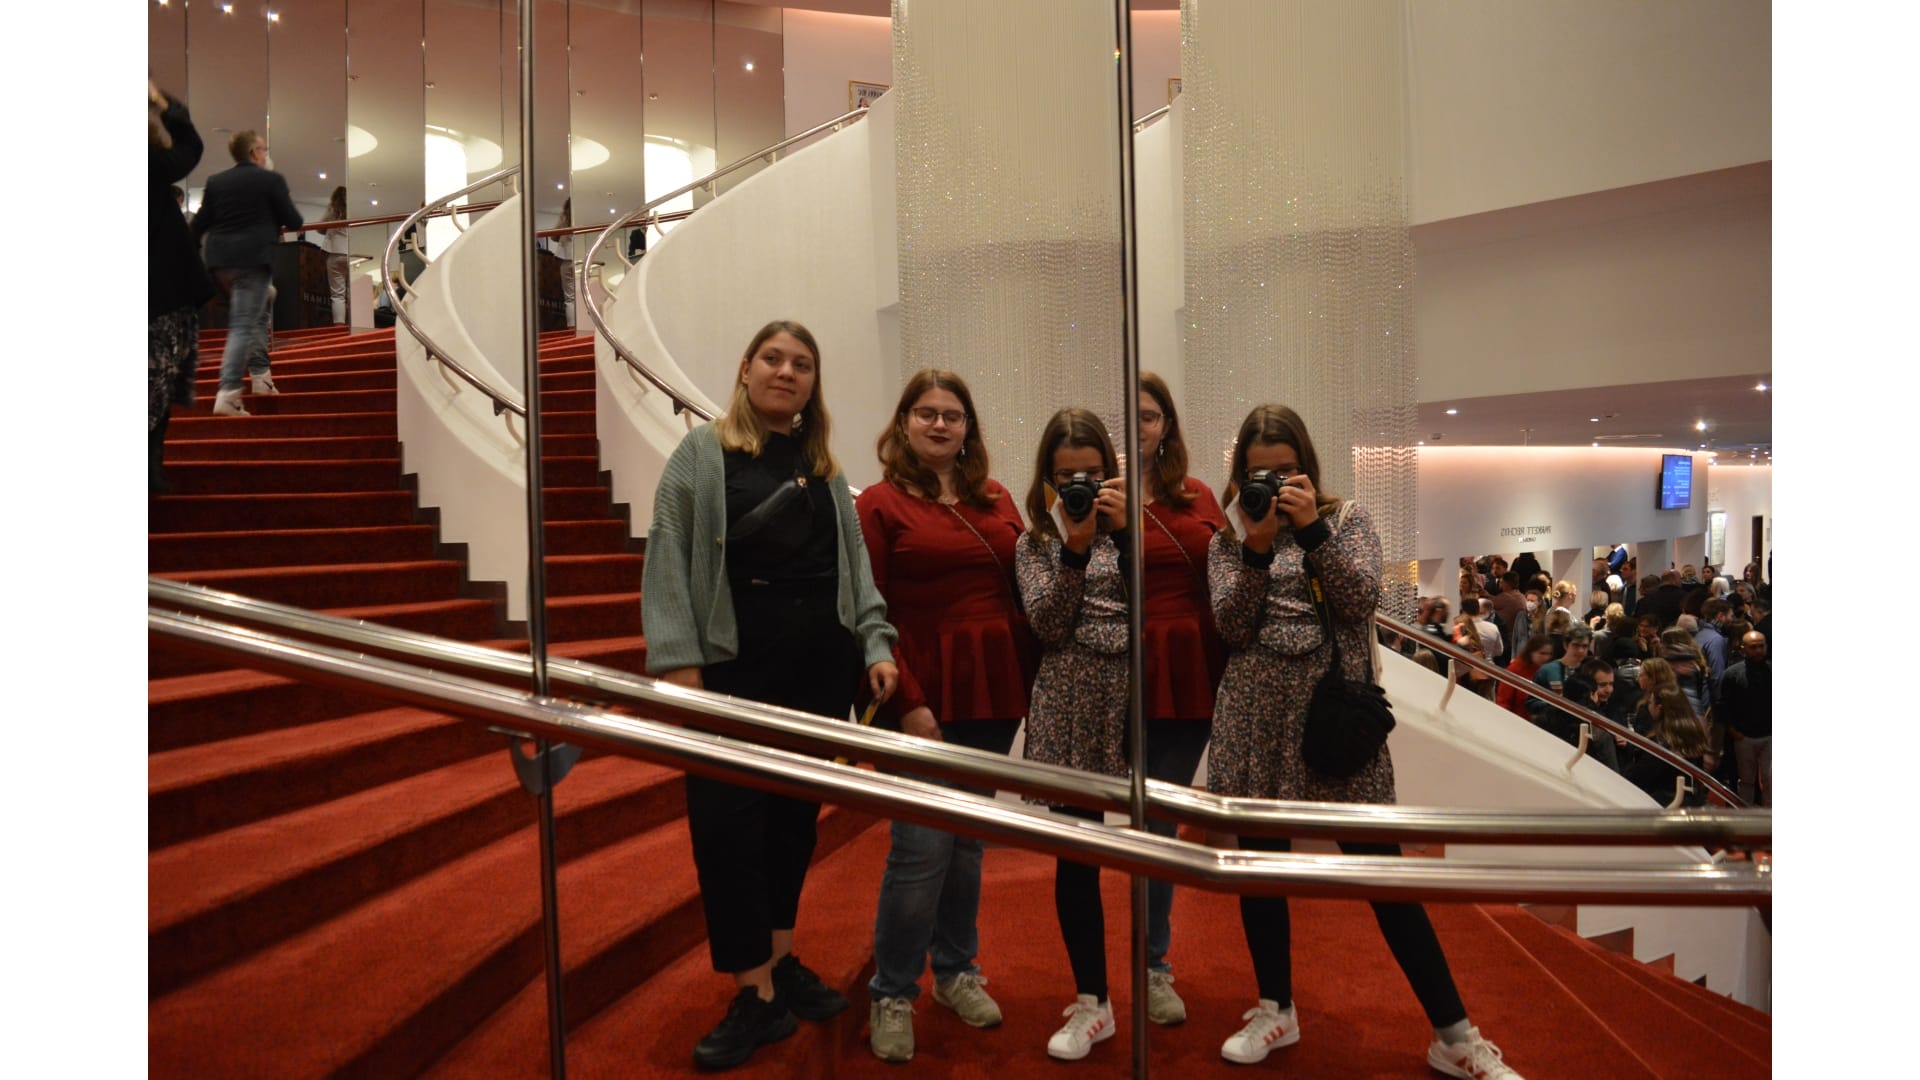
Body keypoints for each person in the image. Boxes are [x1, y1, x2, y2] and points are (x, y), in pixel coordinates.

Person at [1205, 404, 1522, 1078]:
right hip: (1253, 720)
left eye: (1287, 470)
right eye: (1260, 472)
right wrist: (1257, 549)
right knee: (1261, 870)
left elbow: (1360, 601)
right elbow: (1231, 628)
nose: (1274, 483)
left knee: (1384, 874)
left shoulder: (1348, 523)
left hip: (1334, 719)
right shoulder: (1228, 541)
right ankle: (1275, 1008)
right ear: (1239, 477)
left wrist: (1311, 530)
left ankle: (1456, 1035)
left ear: (1309, 471)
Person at [640, 320, 900, 1071]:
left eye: (803, 364)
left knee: (792, 826)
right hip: (733, 675)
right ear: (746, 367)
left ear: (813, 383)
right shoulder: (701, 453)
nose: (787, 373)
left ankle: (780, 962)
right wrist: (679, 663)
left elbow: (854, 572)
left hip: (817, 674)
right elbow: (667, 558)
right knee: (727, 832)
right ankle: (753, 995)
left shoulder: (822, 466)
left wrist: (875, 646)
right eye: (774, 360)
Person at [857, 369, 1037, 1062]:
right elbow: (870, 611)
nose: (939, 425)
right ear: (903, 423)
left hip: (992, 688)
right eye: (926, 413)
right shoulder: (877, 504)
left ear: (969, 428)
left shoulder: (996, 500)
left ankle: (957, 970)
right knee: (920, 849)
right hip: (919, 688)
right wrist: (909, 703)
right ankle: (893, 989)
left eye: (953, 415)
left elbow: (1028, 584)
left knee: (965, 843)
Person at [1013, 407, 1133, 1062]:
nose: (1079, 487)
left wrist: (1124, 529)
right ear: (1048, 481)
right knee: (1077, 855)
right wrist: (1075, 549)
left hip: (1135, 699)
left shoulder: (1134, 534)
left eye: (1091, 475)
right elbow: (1048, 625)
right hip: (1067, 699)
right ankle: (1094, 1000)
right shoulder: (1035, 543)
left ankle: (1157, 971)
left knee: (1156, 841)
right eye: (1067, 478)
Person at [1132, 372, 1228, 1024]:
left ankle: (1152, 964)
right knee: (1092, 825)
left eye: (1149, 415)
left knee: (1159, 821)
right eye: (1128, 414)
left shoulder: (1197, 494)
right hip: (1117, 671)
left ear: (1166, 424)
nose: (1138, 425)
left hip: (1189, 668)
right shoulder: (1085, 492)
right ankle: (1091, 980)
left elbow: (1227, 572)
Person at [192, 128, 303, 416]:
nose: (266, 154)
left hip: (219, 262)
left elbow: (199, 224)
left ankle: (261, 377)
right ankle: (228, 392)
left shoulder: (216, 181)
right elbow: (294, 220)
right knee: (243, 323)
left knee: (255, 314)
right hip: (252, 260)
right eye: (264, 149)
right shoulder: (270, 180)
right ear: (255, 152)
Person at [149, 81, 214, 495]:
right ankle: (150, 468)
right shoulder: (148, 162)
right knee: (158, 383)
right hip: (162, 294)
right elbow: (190, 146)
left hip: (162, 293)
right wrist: (161, 101)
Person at [1716, 631, 1771, 805]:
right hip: (1743, 735)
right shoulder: (1732, 674)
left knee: (1771, 779)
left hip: (1770, 734)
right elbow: (1723, 705)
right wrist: (1732, 730)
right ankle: (1746, 815)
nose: (1758, 650)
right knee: (1746, 780)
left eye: (1761, 646)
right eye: (1753, 647)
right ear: (1743, 649)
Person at [301, 185, 351, 323]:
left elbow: (319, 228)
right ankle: (355, 324)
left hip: (334, 252)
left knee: (338, 295)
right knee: (352, 291)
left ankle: (339, 327)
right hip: (353, 252)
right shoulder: (355, 209)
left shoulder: (333, 210)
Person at [1498, 636, 1552, 719]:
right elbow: (1504, 701)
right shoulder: (1515, 669)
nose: (1546, 658)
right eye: (1542, 653)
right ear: (1531, 652)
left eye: (1549, 654)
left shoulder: (1547, 670)